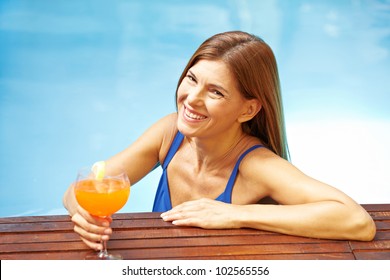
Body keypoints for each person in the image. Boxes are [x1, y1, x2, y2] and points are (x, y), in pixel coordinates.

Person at [63, 31, 376, 251]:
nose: (192, 100)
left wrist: (234, 214)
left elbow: (357, 221)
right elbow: (83, 188)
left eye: (216, 92)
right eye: (192, 79)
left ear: (248, 109)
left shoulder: (256, 165)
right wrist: (83, 216)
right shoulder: (169, 134)